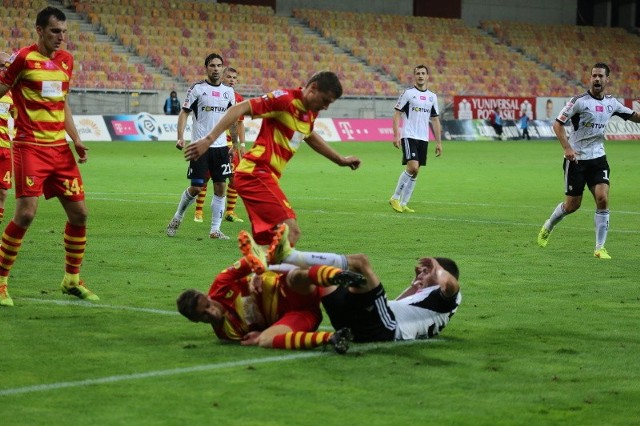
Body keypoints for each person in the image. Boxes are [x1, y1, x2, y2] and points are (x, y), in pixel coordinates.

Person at [184, 71, 361, 246]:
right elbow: (239, 108)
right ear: (313, 88)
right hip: (255, 173)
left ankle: (250, 273)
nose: (326, 107)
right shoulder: (285, 99)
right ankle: (269, 273)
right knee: (291, 231)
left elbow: (309, 135)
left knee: (267, 243)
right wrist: (208, 140)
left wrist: (340, 160)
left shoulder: (310, 111)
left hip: (267, 178)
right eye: (325, 101)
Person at [0, 7, 98, 307]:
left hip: (59, 150)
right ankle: (1, 281)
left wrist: (76, 138)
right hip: (30, 147)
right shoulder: (23, 59)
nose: (61, 38)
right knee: (26, 214)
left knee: (80, 214)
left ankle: (71, 279)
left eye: (64, 32)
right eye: (55, 31)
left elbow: (63, 103)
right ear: (40, 30)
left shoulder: (67, 61)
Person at [255, 223, 462, 343]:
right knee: (315, 276)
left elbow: (452, 286)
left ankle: (288, 255)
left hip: (383, 328)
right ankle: (268, 267)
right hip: (362, 324)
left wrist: (437, 268)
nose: (421, 273)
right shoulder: (426, 302)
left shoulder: (446, 296)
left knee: (361, 263)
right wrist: (421, 280)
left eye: (427, 271)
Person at [176, 230, 357, 353]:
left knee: (294, 276)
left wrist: (257, 272)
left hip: (288, 289)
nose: (211, 312)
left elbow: (254, 260)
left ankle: (336, 274)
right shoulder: (227, 333)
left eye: (208, 305)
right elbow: (257, 331)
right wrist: (260, 334)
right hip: (297, 317)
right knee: (265, 341)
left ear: (207, 296)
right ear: (196, 320)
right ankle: (332, 338)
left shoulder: (221, 284)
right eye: (204, 315)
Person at [537, 62, 640, 259]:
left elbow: (634, 116)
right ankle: (548, 226)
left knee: (602, 198)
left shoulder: (612, 103)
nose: (597, 79)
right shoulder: (579, 102)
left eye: (601, 76)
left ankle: (599, 248)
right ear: (590, 78)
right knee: (572, 206)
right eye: (594, 76)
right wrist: (567, 148)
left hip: (598, 158)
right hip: (576, 159)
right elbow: (557, 125)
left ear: (607, 79)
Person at [167, 53, 235, 240]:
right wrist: (180, 137)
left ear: (223, 68)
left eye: (219, 65)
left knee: (221, 187)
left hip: (221, 148)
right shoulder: (197, 89)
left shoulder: (228, 92)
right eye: (212, 65)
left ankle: (215, 230)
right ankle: (177, 217)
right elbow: (184, 113)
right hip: (199, 147)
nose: (215, 68)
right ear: (206, 68)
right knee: (196, 188)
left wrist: (235, 143)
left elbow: (233, 120)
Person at [194, 66, 245, 224]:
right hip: (215, 143)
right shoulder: (212, 95)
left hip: (232, 145)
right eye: (228, 77)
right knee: (205, 178)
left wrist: (241, 144)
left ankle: (229, 211)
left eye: (234, 78)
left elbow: (240, 124)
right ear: (222, 78)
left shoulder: (239, 99)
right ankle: (199, 211)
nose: (231, 80)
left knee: (235, 179)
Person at [389, 64, 442, 213]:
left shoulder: (432, 97)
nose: (420, 75)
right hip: (409, 135)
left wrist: (438, 142)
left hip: (423, 138)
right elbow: (397, 113)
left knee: (416, 170)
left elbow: (435, 120)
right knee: (412, 167)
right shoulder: (408, 93)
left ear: (427, 76)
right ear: (414, 76)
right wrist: (396, 135)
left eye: (423, 73)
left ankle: (404, 203)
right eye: (418, 73)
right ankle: (395, 197)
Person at [0, 51, 16, 225]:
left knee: (3, 192)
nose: (5, 70)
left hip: (4, 148)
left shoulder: (10, 94)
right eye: (3, 66)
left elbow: (18, 117)